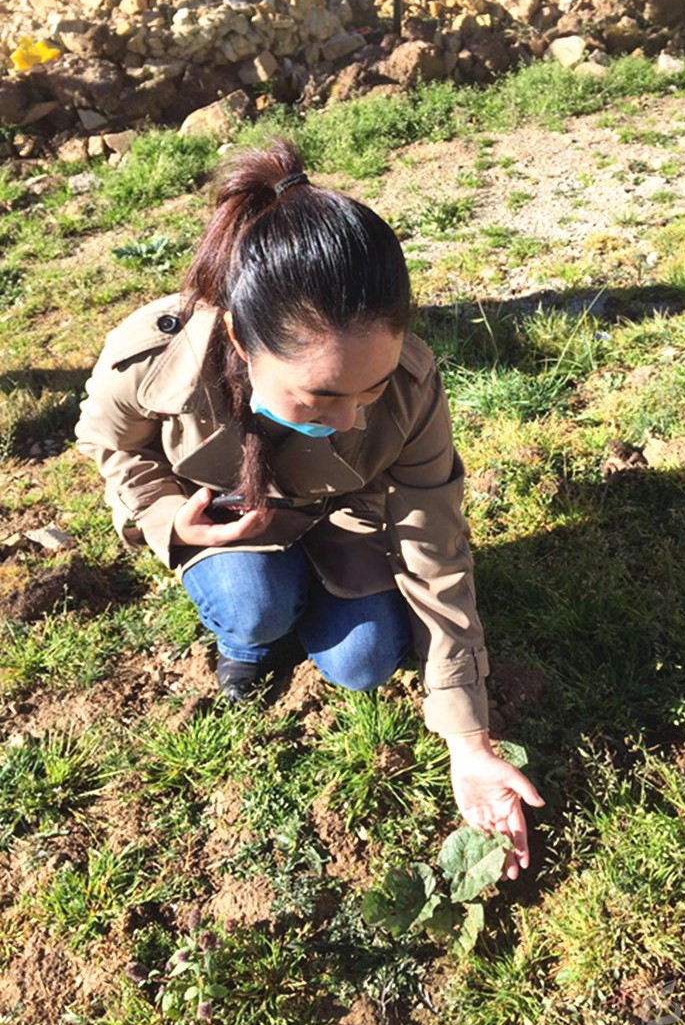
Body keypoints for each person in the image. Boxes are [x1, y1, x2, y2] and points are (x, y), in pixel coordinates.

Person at [75, 138, 544, 876]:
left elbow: (436, 547)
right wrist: (166, 515)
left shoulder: (412, 386)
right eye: (322, 395)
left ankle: (304, 602)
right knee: (254, 604)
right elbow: (109, 443)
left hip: (343, 521)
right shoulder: (155, 356)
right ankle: (250, 644)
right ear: (241, 339)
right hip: (231, 520)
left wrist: (468, 740)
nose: (353, 419)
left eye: (371, 389)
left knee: (364, 661)